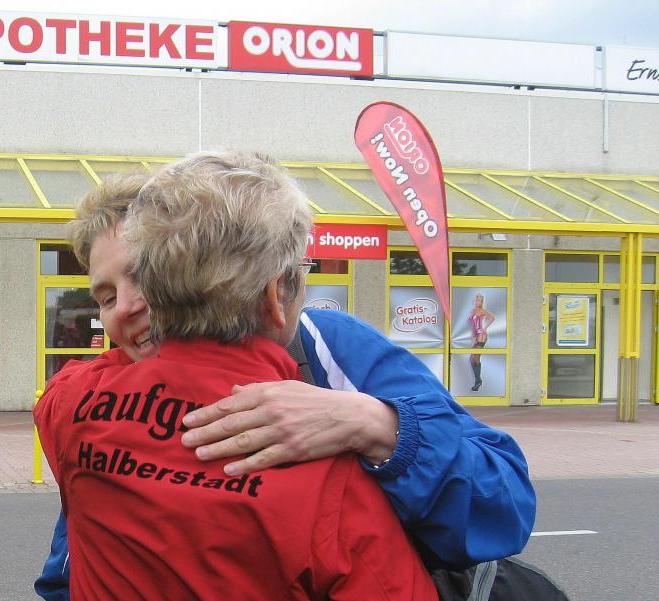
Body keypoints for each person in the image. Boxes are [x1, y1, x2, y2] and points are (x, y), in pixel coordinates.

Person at [35, 170, 535, 599]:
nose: (125, 307)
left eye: (142, 278)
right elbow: (72, 562)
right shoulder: (95, 405)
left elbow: (503, 507)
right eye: (105, 297)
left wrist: (378, 425)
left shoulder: (328, 345)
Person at [468, 292, 495, 392]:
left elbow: (492, 318)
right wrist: (473, 337)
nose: (479, 302)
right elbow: (473, 326)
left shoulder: (482, 311)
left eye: (481, 301)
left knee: (476, 358)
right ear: (475, 300)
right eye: (478, 300)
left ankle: (478, 382)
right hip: (477, 335)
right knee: (472, 359)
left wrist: (485, 328)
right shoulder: (473, 310)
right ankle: (478, 380)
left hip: (482, 335)